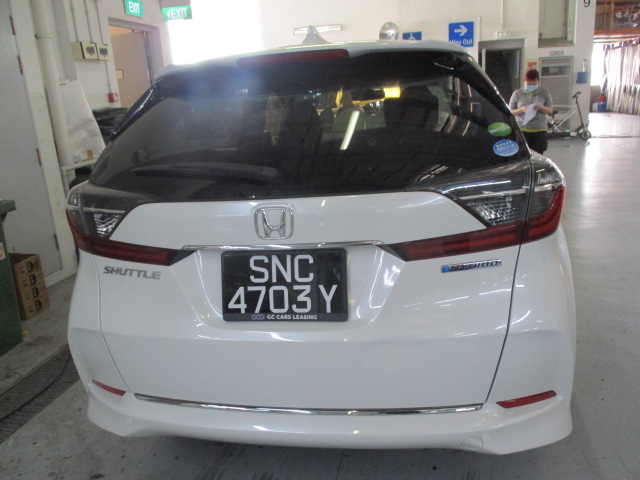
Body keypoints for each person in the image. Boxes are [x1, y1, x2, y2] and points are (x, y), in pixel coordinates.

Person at [509, 69, 553, 154]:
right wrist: (521, 110)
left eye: (534, 84)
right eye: (529, 84)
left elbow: (550, 110)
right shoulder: (517, 94)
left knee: (538, 153)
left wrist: (541, 107)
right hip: (522, 130)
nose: (531, 86)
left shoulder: (544, 93)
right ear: (524, 82)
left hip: (539, 130)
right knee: (522, 154)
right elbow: (510, 111)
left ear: (538, 82)